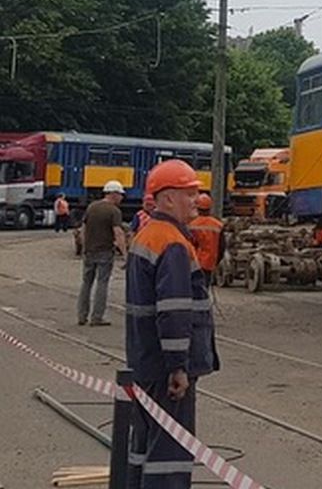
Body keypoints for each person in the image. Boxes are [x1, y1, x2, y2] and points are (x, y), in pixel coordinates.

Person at [125, 159, 218, 488]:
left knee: (144, 443)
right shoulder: (173, 243)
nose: (196, 199)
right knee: (170, 451)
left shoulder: (147, 235)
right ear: (166, 199)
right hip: (166, 369)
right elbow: (174, 311)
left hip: (144, 359)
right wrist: (178, 367)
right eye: (189, 193)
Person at [77, 180, 127, 326]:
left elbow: (83, 229)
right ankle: (97, 317)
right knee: (102, 283)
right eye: (120, 195)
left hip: (89, 251)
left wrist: (84, 248)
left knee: (86, 283)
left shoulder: (92, 207)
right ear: (114, 194)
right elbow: (118, 233)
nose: (122, 198)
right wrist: (125, 254)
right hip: (105, 252)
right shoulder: (114, 211)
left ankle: (81, 315)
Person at [188, 193, 224, 287]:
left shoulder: (191, 224)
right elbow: (221, 247)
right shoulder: (218, 225)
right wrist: (216, 262)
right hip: (209, 263)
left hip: (193, 262)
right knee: (204, 289)